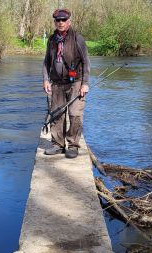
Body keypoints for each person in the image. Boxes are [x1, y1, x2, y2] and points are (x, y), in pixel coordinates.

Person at [42, 8, 90, 159]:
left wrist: (85, 83)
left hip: (76, 82)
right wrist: (45, 79)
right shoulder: (51, 40)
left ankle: (73, 145)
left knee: (75, 114)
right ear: (55, 22)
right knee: (57, 114)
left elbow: (86, 62)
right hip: (56, 83)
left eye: (64, 20)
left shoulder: (77, 38)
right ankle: (57, 144)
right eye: (58, 20)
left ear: (69, 21)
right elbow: (46, 62)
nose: (61, 23)